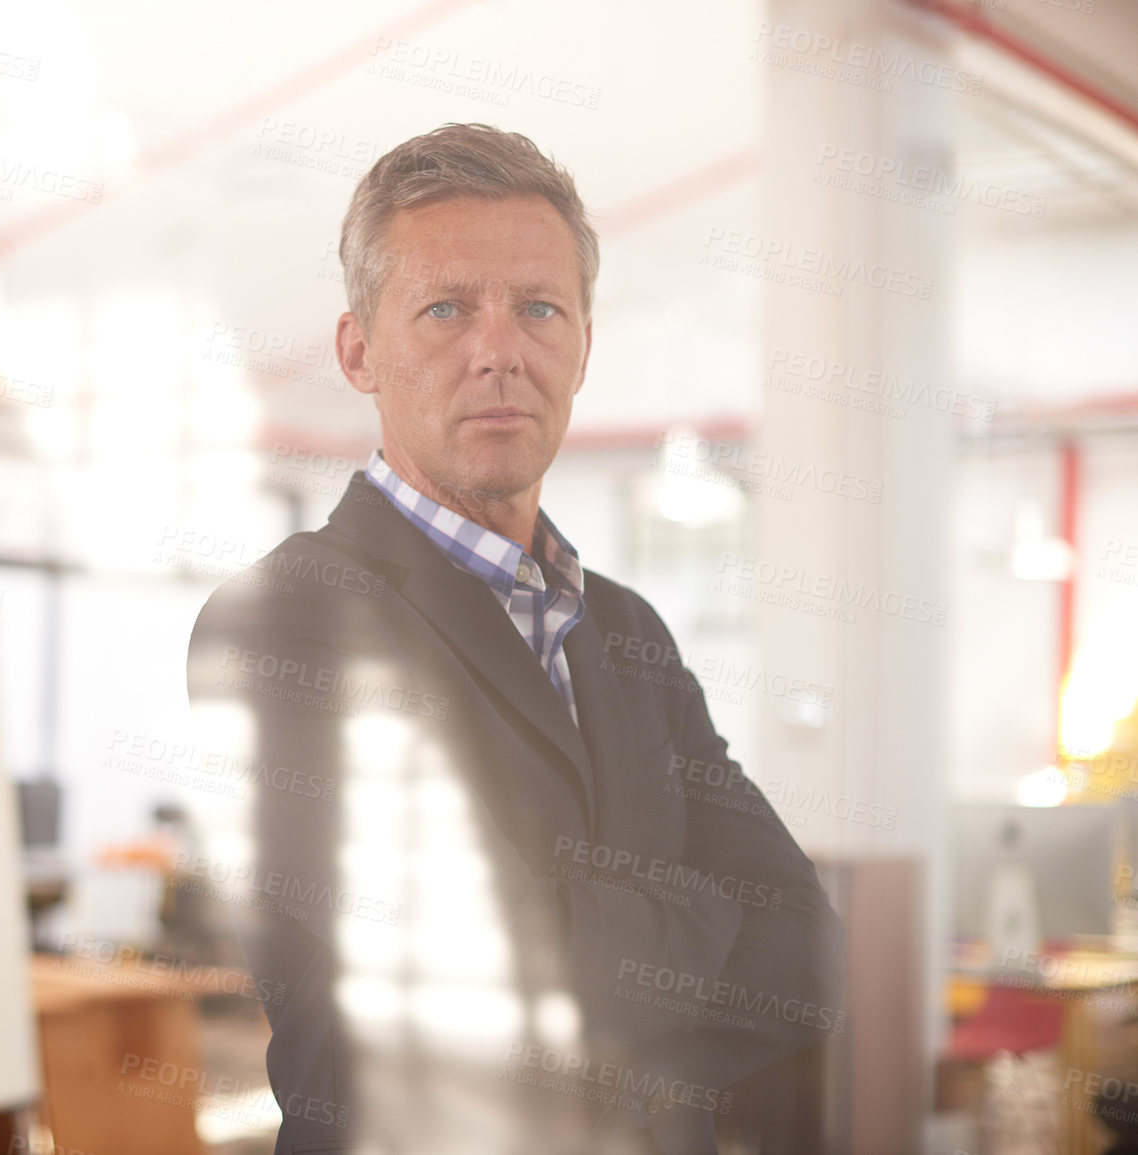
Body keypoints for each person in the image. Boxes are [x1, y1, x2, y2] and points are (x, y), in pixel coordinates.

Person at [187, 123, 844, 1155]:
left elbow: (805, 958)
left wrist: (582, 939)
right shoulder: (285, 621)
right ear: (358, 350)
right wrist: (696, 921)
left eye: (537, 308)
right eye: (445, 308)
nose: (497, 349)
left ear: (582, 343)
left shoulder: (629, 632)